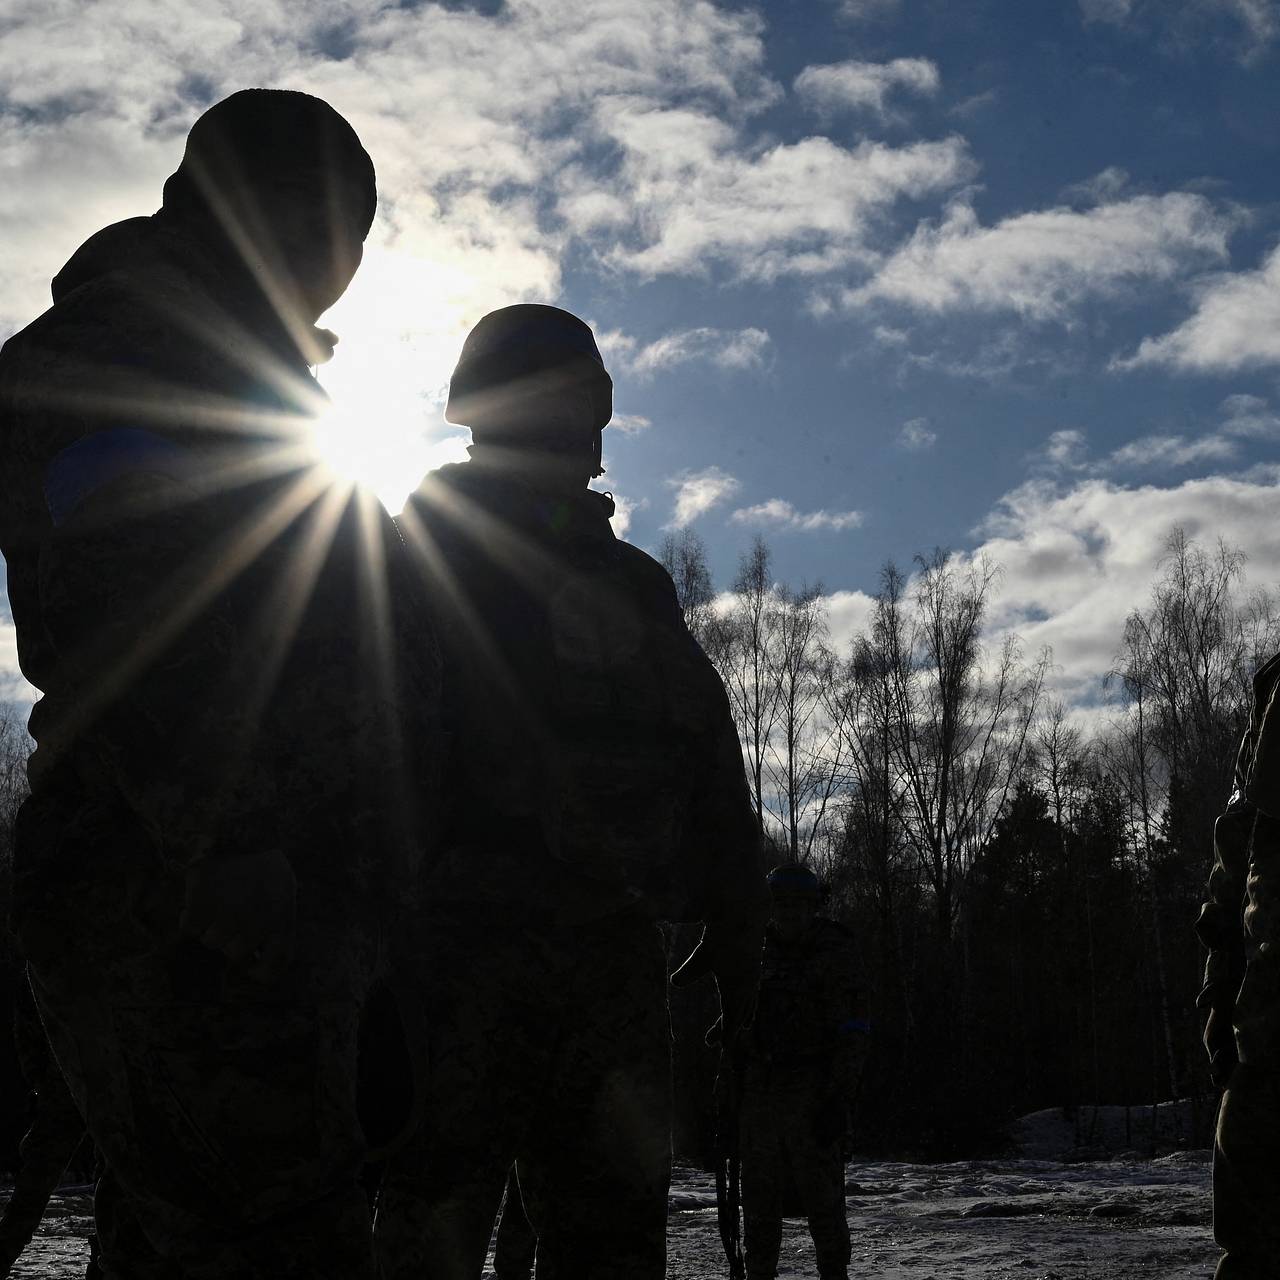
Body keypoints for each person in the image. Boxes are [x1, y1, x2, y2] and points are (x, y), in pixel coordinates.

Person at [0, 89, 438, 1278]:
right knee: (271, 1241)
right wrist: (239, 850)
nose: (344, 265)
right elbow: (127, 612)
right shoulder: (127, 344)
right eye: (340, 228)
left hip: (266, 887)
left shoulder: (249, 370)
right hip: (181, 886)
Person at [375, 303, 769, 1280]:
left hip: (593, 975)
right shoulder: (410, 556)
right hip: (451, 966)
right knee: (434, 1233)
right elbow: (365, 757)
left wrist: (739, 941)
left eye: (582, 400)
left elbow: (706, 761)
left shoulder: (630, 582)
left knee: (597, 1244)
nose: (578, 422)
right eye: (559, 398)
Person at [736, 863, 870, 1280]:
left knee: (826, 1215)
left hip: (815, 1098)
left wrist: (837, 1098)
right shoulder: (753, 950)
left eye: (799, 905)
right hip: (761, 1100)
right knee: (758, 1216)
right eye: (782, 904)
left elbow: (853, 1032)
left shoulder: (836, 952)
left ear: (813, 906)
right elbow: (736, 1025)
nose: (790, 913)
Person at [1197, 652, 1280, 1280]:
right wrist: (1220, 996)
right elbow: (1235, 847)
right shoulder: (1272, 692)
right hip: (1265, 1021)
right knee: (1249, 1237)